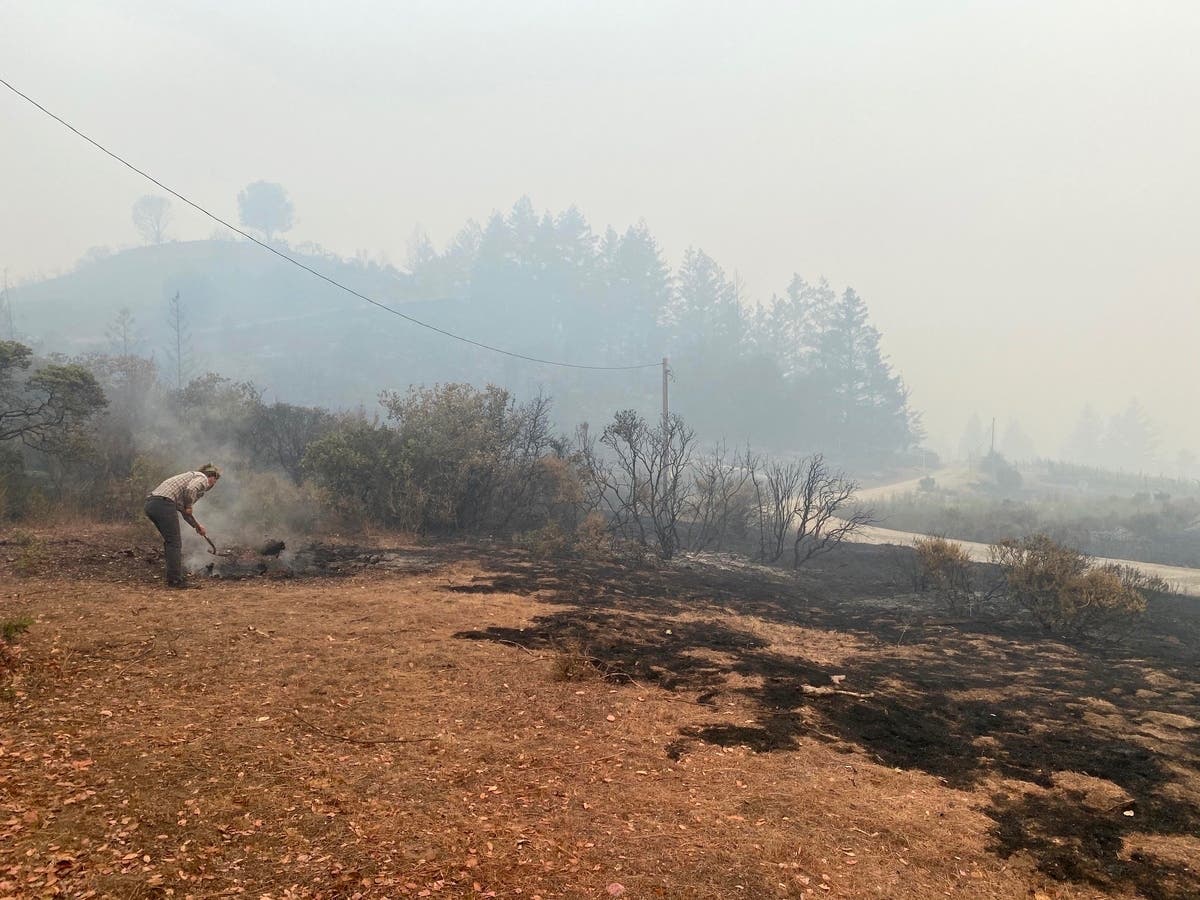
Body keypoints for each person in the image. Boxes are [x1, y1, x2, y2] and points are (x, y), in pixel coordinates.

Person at [144, 464, 221, 588]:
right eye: (215, 479)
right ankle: (175, 581)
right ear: (210, 476)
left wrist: (196, 526)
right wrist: (190, 506)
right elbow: (190, 491)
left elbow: (184, 510)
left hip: (152, 505)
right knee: (174, 543)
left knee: (171, 542)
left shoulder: (190, 479)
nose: (214, 483)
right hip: (164, 503)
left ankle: (173, 577)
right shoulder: (201, 477)